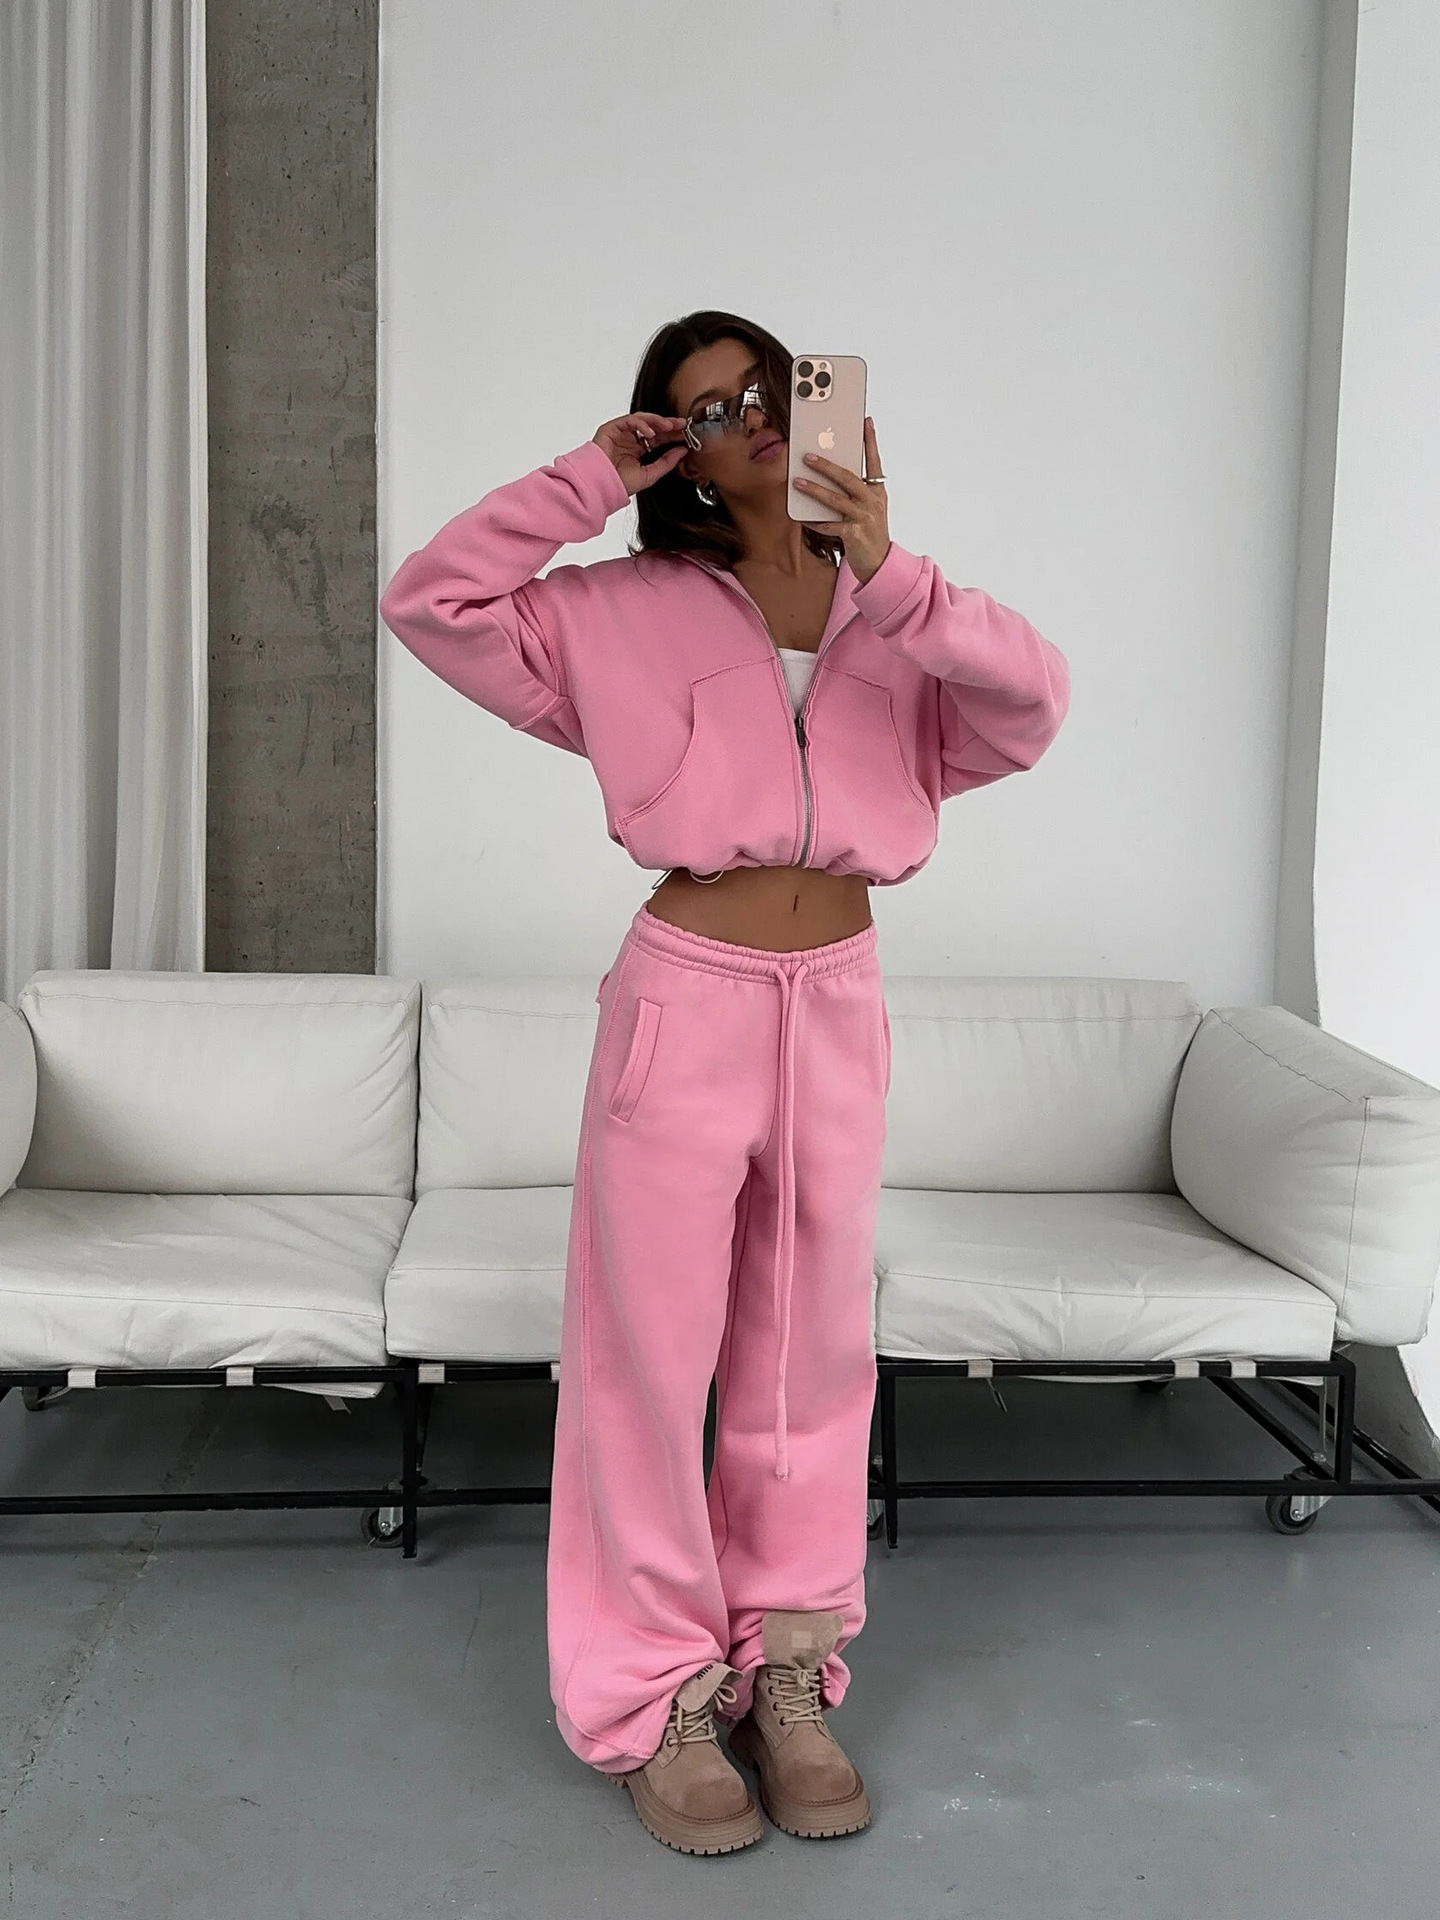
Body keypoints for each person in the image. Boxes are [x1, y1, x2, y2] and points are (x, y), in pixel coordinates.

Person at [379, 310, 1071, 1854]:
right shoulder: (612, 611)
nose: (748, 413)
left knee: (807, 1357)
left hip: (839, 1001)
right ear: (674, 450)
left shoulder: (895, 613)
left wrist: (893, 570)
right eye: (704, 408)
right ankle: (659, 1697)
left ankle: (790, 1668)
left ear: (812, 407)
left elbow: (1034, 703)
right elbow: (431, 601)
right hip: (685, 997)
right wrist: (583, 479)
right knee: (647, 1362)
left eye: (765, 386)